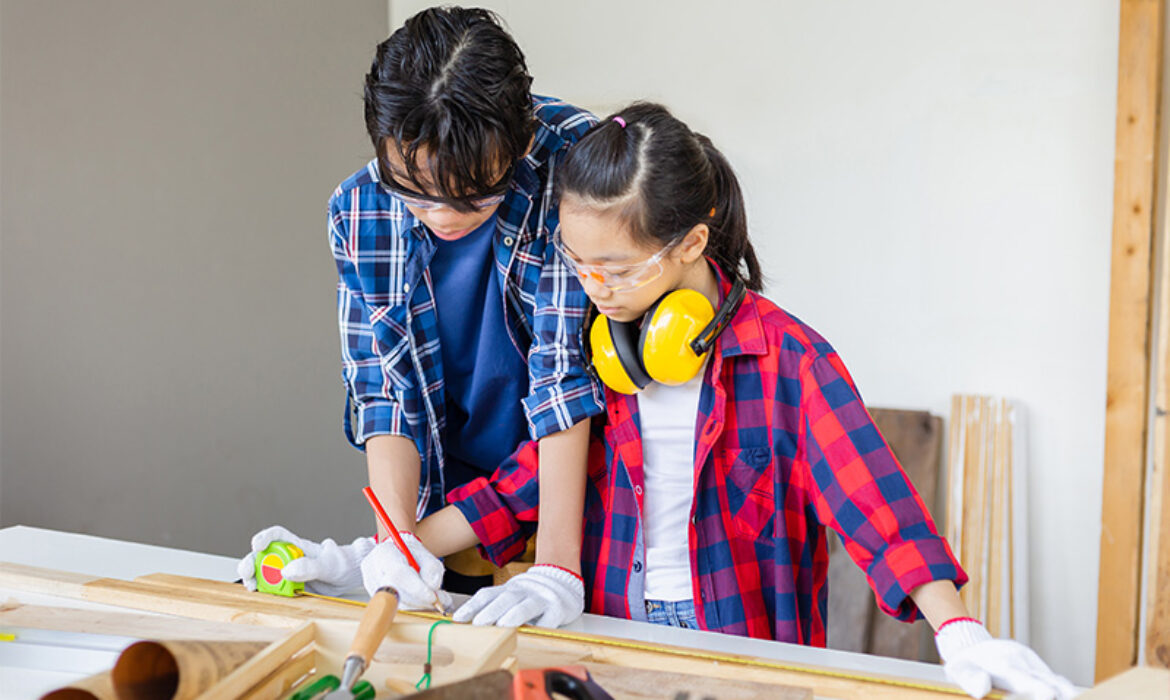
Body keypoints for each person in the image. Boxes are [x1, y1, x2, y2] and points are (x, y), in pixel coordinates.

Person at [400, 103, 1077, 700]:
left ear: (692, 242)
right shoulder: (599, 355)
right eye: (579, 265)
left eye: (618, 269)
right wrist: (395, 551)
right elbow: (525, 486)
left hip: (743, 648)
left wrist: (960, 630)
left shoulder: (789, 360)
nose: (595, 289)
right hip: (609, 638)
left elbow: (876, 504)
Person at [237, 6, 602, 611]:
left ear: (520, 141)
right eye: (415, 191)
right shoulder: (360, 208)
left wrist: (558, 567)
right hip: (453, 502)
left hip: (575, 484)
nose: (441, 215)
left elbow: (563, 380)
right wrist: (392, 544)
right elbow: (385, 393)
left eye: (473, 196)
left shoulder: (573, 168)